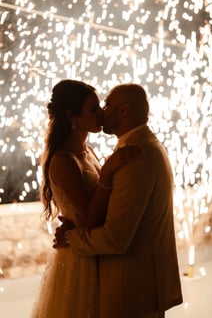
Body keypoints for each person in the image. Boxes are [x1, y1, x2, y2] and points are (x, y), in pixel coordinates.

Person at [55, 83, 183, 318]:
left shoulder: (134, 157)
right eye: (96, 108)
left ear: (123, 110)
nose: (102, 112)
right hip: (137, 287)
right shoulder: (142, 148)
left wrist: (70, 237)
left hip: (130, 291)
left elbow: (115, 238)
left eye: (106, 104)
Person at [31, 80, 141, 318]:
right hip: (80, 262)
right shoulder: (63, 161)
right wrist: (109, 170)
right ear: (73, 117)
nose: (101, 113)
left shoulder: (87, 151)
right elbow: (91, 217)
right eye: (93, 109)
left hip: (94, 250)